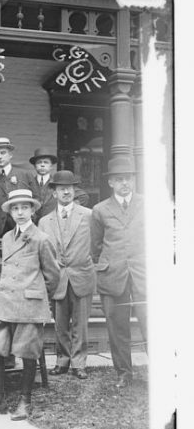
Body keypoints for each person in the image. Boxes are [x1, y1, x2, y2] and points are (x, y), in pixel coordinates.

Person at [0, 189, 60, 421]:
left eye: (25, 207)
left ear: (33, 210)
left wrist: (38, 298)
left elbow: (53, 276)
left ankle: (25, 400)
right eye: (15, 208)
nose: (20, 212)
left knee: (27, 352)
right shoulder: (6, 237)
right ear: (10, 212)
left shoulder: (41, 239)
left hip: (29, 306)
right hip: (5, 305)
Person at [90, 157, 146, 389]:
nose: (125, 183)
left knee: (150, 323)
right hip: (112, 274)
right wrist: (111, 262)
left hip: (144, 274)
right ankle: (124, 373)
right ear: (111, 182)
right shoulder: (100, 209)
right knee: (117, 326)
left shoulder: (147, 204)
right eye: (120, 179)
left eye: (129, 178)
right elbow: (96, 246)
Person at [39, 170, 95, 380]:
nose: (66, 192)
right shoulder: (45, 221)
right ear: (54, 193)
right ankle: (62, 361)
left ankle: (79, 363)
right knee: (60, 323)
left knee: (81, 323)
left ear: (75, 190)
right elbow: (43, 250)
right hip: (58, 278)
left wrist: (90, 260)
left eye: (69, 188)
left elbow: (97, 242)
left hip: (82, 274)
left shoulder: (88, 215)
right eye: (61, 189)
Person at [0, 137, 36, 238]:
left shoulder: (25, 175)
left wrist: (31, 217)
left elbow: (35, 198)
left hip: (22, 228)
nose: (0, 157)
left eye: (3, 153)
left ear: (10, 155)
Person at [29, 147, 58, 220]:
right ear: (35, 166)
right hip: (32, 224)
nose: (42, 165)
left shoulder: (57, 183)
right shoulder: (28, 183)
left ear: (51, 166)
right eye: (39, 162)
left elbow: (83, 196)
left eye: (46, 162)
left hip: (51, 224)